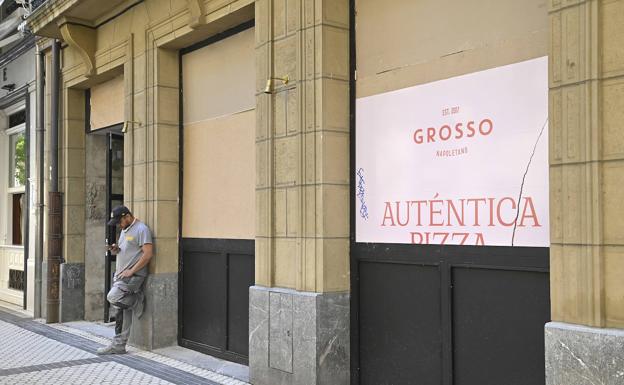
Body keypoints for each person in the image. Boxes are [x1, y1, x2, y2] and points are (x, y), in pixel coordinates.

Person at [97, 205, 153, 355]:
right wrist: (116, 249)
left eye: (119, 221)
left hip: (133, 277)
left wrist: (131, 271)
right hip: (121, 276)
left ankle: (135, 300)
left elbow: (147, 254)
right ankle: (119, 345)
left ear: (127, 216)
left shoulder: (142, 229)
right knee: (121, 310)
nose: (118, 225)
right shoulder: (124, 231)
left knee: (113, 297)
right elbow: (128, 250)